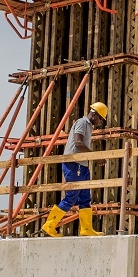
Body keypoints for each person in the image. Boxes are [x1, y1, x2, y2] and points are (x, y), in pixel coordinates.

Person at [41, 102, 109, 237]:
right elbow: (78, 143)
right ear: (94, 114)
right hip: (74, 163)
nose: (100, 122)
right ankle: (49, 225)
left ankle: (86, 229)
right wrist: (95, 156)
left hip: (82, 165)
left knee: (85, 197)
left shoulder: (89, 126)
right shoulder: (82, 123)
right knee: (71, 197)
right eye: (100, 118)